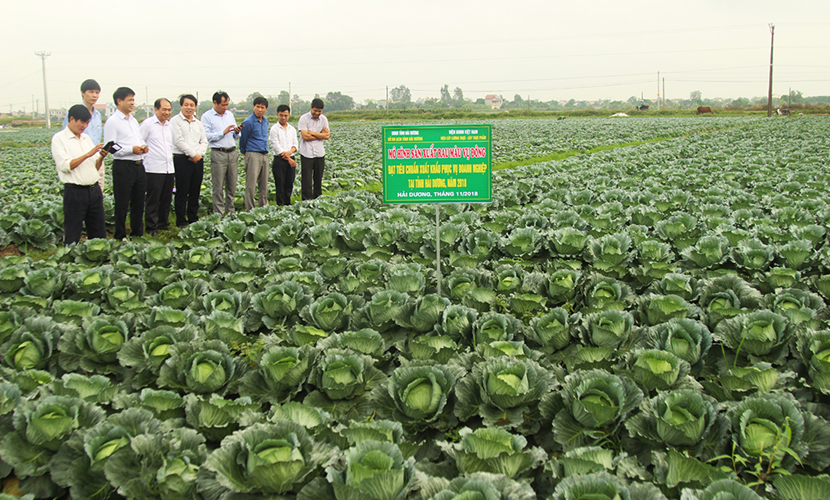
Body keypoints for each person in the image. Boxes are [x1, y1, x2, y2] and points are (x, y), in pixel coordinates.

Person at [51, 105, 108, 245]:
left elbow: (95, 165)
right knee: (73, 230)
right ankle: (70, 262)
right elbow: (65, 166)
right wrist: (88, 154)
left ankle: (100, 259)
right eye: (82, 122)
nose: (84, 126)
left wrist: (100, 157)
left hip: (94, 190)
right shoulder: (59, 139)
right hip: (75, 192)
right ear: (71, 119)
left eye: (87, 123)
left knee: (98, 230)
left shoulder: (86, 138)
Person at [103, 86, 147, 240]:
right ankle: (120, 235)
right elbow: (111, 146)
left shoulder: (133, 120)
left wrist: (142, 147)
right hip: (123, 166)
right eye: (129, 100)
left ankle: (137, 233)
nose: (132, 103)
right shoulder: (113, 121)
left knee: (138, 202)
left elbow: (139, 139)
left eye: (133, 100)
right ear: (119, 101)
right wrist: (131, 150)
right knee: (122, 203)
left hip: (138, 165)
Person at [170, 94, 208, 228]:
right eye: (186, 105)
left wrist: (198, 154)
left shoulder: (198, 123)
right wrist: (192, 153)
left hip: (198, 160)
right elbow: (178, 141)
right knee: (182, 190)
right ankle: (180, 220)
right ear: (181, 106)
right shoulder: (175, 121)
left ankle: (192, 217)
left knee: (195, 190)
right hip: (182, 159)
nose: (189, 107)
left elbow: (204, 141)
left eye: (192, 105)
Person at [61, 79, 105, 190]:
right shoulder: (74, 113)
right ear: (82, 93)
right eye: (91, 92)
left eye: (97, 92)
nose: (94, 95)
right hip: (80, 159)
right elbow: (66, 137)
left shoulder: (98, 115)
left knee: (98, 191)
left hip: (97, 158)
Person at [201, 91, 240, 215]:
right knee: (218, 187)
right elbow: (206, 136)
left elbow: (235, 135)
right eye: (223, 105)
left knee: (232, 186)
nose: (225, 107)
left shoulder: (229, 115)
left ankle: (231, 213)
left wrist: (237, 131)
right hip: (218, 153)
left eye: (227, 104)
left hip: (232, 152)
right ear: (215, 103)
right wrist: (222, 132)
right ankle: (219, 214)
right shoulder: (207, 117)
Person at [140, 98, 174, 235]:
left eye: (169, 110)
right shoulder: (147, 124)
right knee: (153, 199)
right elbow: (140, 142)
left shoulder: (169, 126)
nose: (167, 112)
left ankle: (163, 224)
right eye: (164, 109)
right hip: (153, 168)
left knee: (166, 199)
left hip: (168, 167)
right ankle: (151, 227)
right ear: (156, 109)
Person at [239, 96, 270, 210]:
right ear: (254, 107)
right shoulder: (248, 122)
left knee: (264, 183)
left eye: (262, 107)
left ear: (265, 109)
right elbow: (243, 139)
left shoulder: (265, 121)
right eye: (258, 107)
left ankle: (263, 207)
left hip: (264, 154)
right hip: (252, 153)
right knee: (251, 185)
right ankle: (250, 209)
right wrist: (244, 153)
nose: (260, 110)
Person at [297, 98, 330, 200]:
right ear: (311, 107)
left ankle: (318, 200)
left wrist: (312, 132)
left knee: (318, 179)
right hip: (306, 153)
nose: (317, 113)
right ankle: (306, 201)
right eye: (315, 110)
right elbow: (305, 137)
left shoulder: (324, 119)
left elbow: (327, 136)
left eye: (319, 111)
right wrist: (320, 135)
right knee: (306, 180)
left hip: (319, 153)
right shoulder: (303, 119)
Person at [268, 104, 298, 206]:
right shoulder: (274, 129)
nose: (283, 117)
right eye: (281, 115)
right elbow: (276, 146)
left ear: (289, 115)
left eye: (285, 115)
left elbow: (295, 145)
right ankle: (280, 206)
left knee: (289, 184)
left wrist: (290, 154)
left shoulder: (292, 129)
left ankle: (288, 204)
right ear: (277, 115)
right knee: (280, 185)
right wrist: (289, 158)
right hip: (279, 160)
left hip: (291, 158)